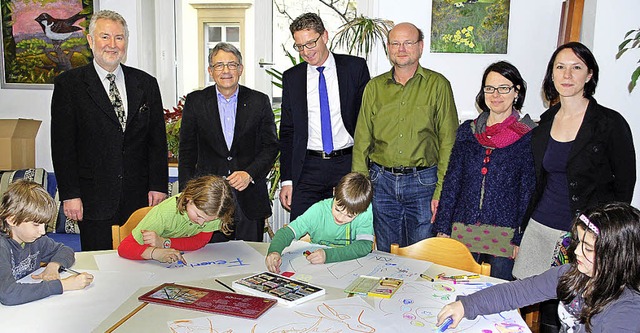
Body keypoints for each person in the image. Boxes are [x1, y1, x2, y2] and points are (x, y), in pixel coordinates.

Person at [512, 42, 636, 331]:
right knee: (535, 302)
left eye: (576, 67)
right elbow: (537, 181)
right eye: (560, 67)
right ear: (551, 75)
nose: (567, 75)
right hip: (541, 226)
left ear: (589, 74)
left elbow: (625, 185)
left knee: (573, 309)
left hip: (585, 235)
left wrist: (606, 235)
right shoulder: (544, 123)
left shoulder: (609, 123)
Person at [51, 10, 168, 251]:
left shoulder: (146, 83)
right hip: (93, 199)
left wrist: (158, 185)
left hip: (139, 200)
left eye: (119, 38)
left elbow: (157, 141)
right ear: (91, 41)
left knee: (139, 265)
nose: (112, 45)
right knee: (100, 269)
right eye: (105, 37)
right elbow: (63, 146)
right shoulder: (69, 85)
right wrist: (70, 194)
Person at [437, 202, 640, 333]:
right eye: (578, 243)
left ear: (616, 256)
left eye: (587, 248)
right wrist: (466, 305)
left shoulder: (628, 312)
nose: (577, 252)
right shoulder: (573, 274)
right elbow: (519, 291)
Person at [352, 22, 459, 252]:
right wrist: (360, 188)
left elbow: (448, 142)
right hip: (381, 183)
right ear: (388, 48)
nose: (401, 49)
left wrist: (442, 190)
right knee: (385, 254)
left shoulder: (438, 85)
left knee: (420, 254)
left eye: (408, 43)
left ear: (420, 47)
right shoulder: (374, 87)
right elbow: (362, 140)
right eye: (395, 43)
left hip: (424, 183)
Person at [433, 61, 536, 281]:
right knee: (457, 292)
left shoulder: (528, 136)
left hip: (504, 236)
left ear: (516, 92)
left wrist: (521, 237)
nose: (496, 94)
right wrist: (443, 226)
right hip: (463, 229)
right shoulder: (467, 131)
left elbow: (528, 190)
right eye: (489, 88)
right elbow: (452, 181)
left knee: (499, 299)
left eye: (504, 88)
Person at [179, 43, 278, 242]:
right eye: (219, 65)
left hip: (248, 197)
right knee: (211, 261)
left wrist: (249, 174)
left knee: (251, 260)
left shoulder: (259, 101)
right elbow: (187, 151)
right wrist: (187, 194)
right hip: (207, 201)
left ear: (240, 69)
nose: (226, 71)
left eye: (232, 65)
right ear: (210, 70)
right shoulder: (196, 101)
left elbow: (271, 146)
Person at [279, 12, 371, 221]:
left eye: (310, 43)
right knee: (300, 233)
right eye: (299, 46)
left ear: (325, 36)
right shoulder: (292, 78)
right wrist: (287, 180)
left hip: (347, 163)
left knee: (347, 232)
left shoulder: (354, 68)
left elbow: (367, 120)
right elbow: (287, 132)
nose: (306, 52)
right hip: (308, 167)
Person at [0, 180, 94, 306]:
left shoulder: (35, 239)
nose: (42, 231)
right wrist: (63, 285)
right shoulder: (2, 247)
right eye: (36, 224)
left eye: (44, 225)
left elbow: (65, 251)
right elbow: (9, 294)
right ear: (12, 220)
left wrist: (53, 265)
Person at [266, 172, 374, 273]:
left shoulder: (364, 210)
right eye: (337, 209)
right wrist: (274, 251)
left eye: (349, 216)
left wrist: (328, 255)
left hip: (350, 268)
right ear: (334, 193)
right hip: (318, 270)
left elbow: (364, 245)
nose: (341, 218)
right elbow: (286, 233)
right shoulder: (318, 210)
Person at [117, 175, 235, 263]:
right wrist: (154, 253)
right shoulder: (165, 213)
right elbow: (124, 248)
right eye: (198, 216)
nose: (201, 223)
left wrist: (165, 243)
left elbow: (200, 241)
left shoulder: (215, 211)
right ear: (189, 198)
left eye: (207, 221)